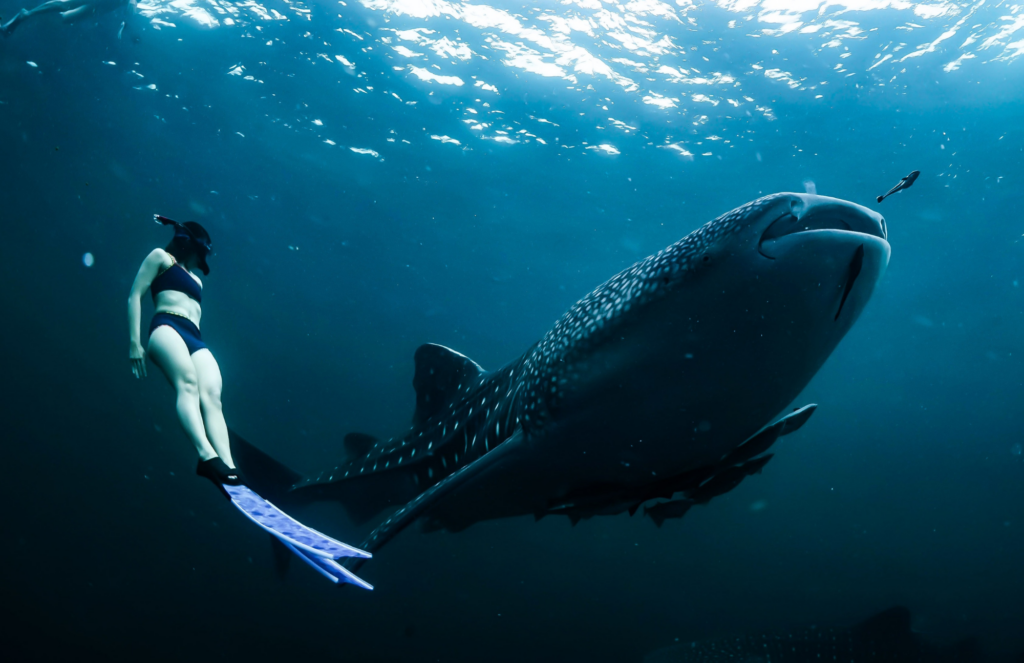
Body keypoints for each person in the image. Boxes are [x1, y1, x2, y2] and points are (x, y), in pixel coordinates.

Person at [128, 215, 243, 490]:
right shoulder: (159, 258)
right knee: (188, 383)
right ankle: (206, 455)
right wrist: (135, 342)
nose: (199, 262)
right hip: (166, 325)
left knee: (213, 396)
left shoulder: (197, 281)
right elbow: (135, 295)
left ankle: (228, 465)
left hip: (194, 335)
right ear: (188, 247)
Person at [1, 0, 134, 37]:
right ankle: (27, 14)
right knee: (65, 5)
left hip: (106, 6)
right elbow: (131, 7)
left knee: (66, 18)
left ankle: (23, 17)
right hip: (106, 3)